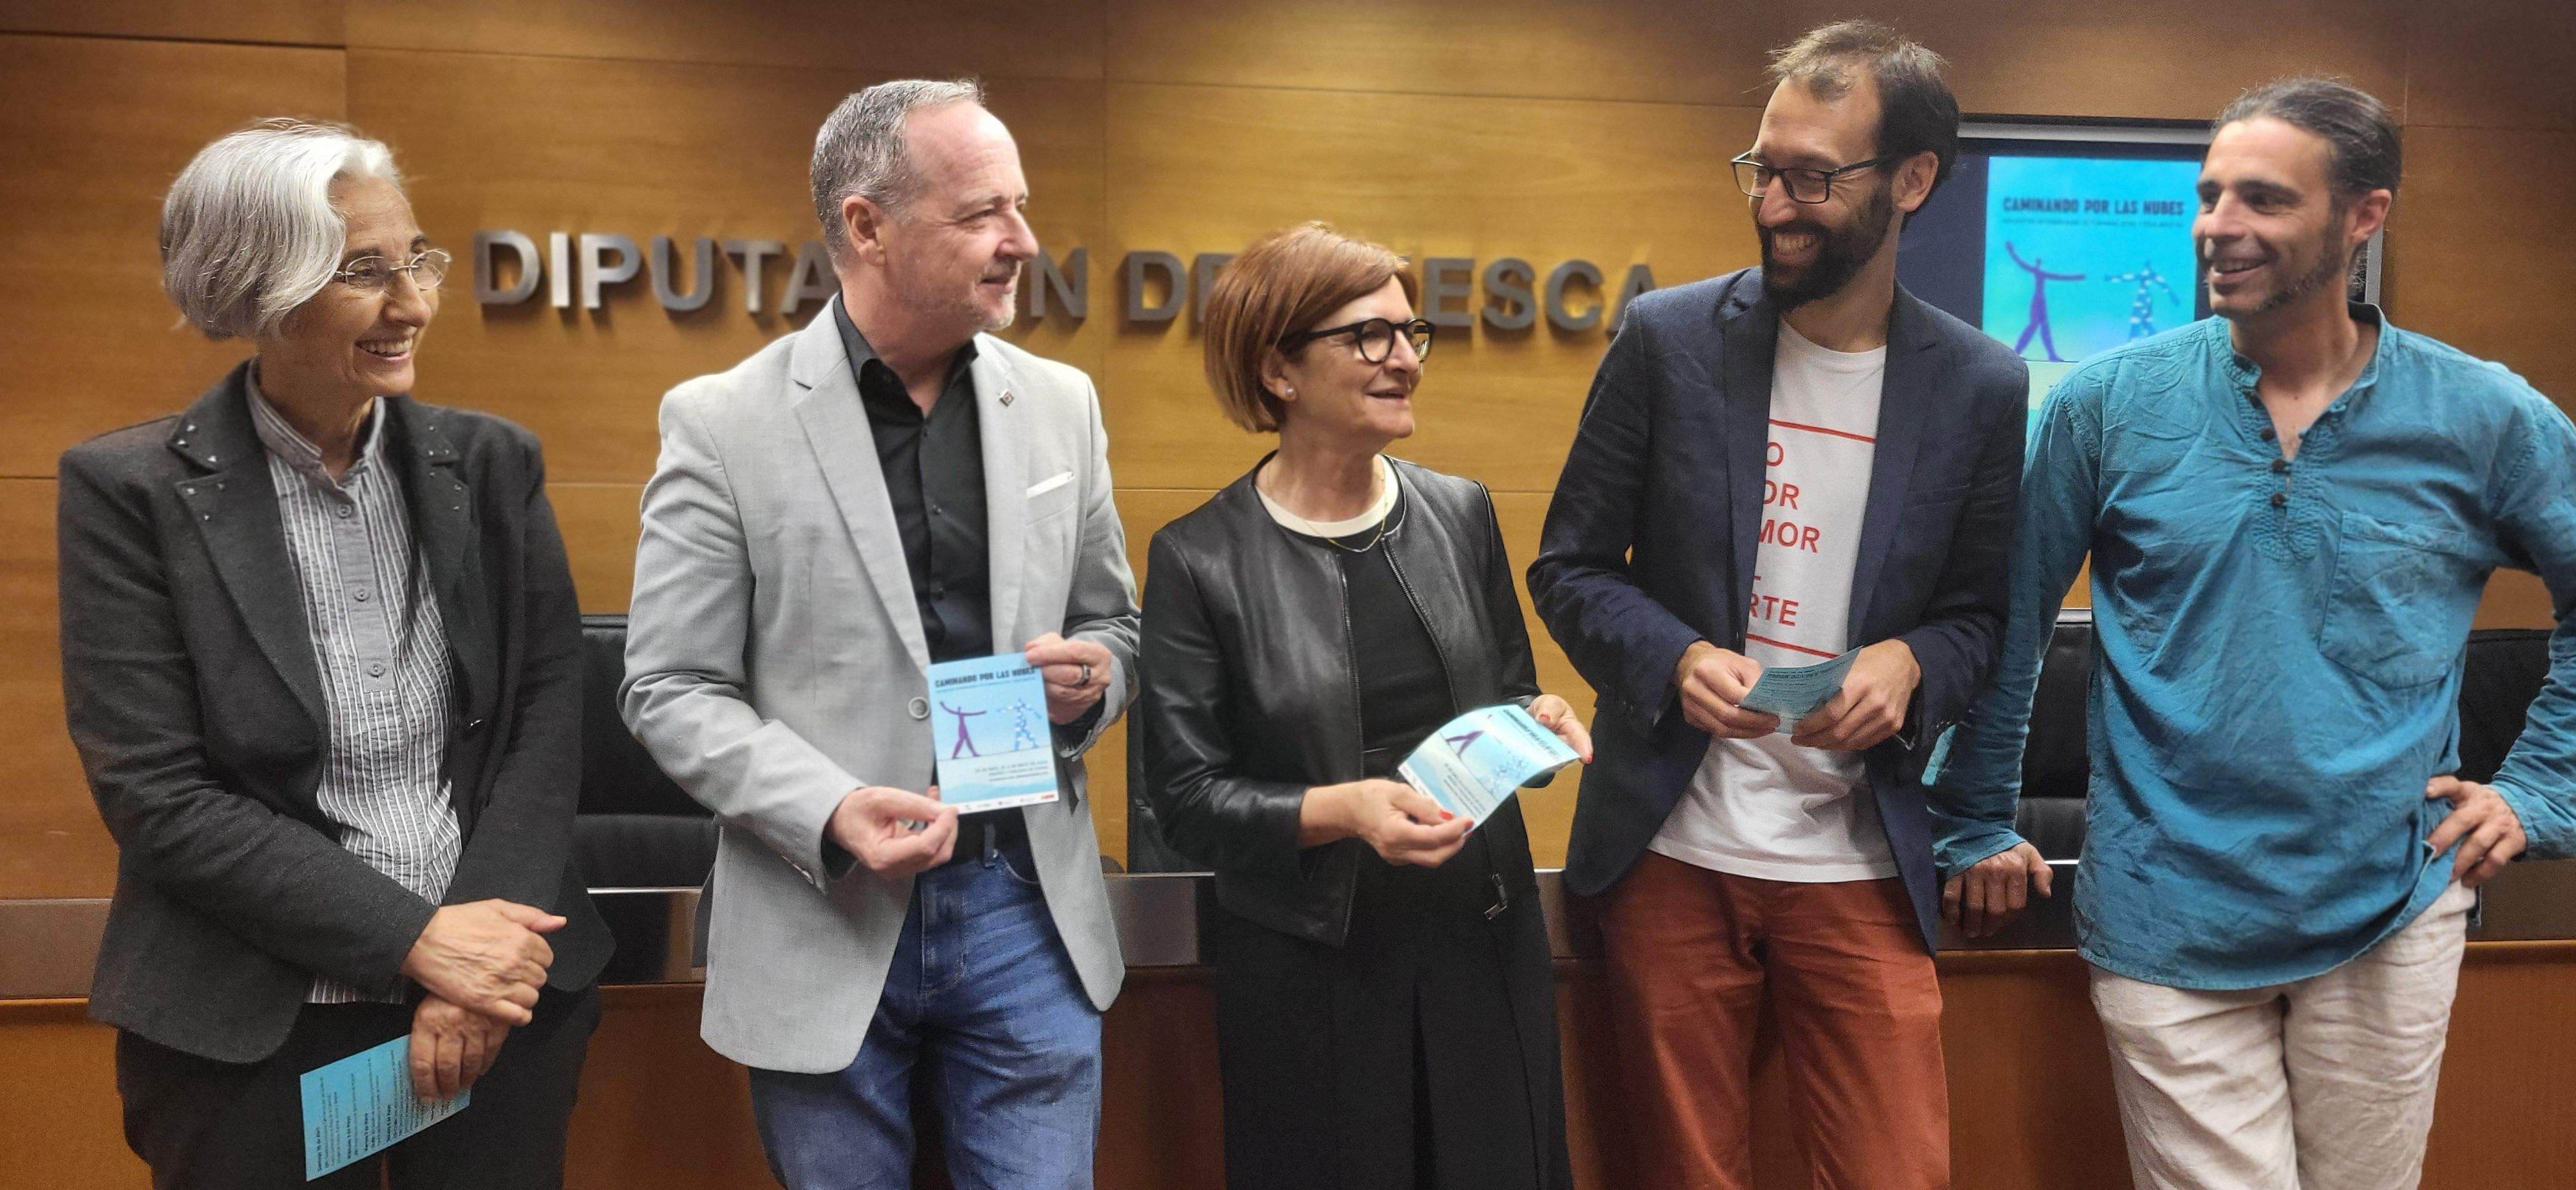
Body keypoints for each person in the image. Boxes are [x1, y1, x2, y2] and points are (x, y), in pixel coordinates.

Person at [1931, 76, 2576, 1190]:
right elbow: (2009, 617)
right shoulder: (2108, 404)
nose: (2218, 227)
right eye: (2210, 195)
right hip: (2164, 913)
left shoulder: (2484, 417)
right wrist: (1973, 820)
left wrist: (2543, 788)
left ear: (2364, 216)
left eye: (2264, 200)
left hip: (2391, 908)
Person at [59, 118, 610, 1188]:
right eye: (364, 272)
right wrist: (417, 941)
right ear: (257, 287)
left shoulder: (493, 463)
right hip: (254, 1029)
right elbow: (158, 792)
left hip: (498, 1007)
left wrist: (471, 968)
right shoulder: (129, 493)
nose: (413, 305)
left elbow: (546, 715)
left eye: (417, 261)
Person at [1525, 21, 2026, 1189]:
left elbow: (1981, 618)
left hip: (1860, 855)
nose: (1774, 206)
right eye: (1763, 169)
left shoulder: (1980, 384)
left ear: (1912, 181)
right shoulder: (1667, 341)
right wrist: (1672, 657)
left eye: (1811, 178)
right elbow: (1571, 566)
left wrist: (1912, 662)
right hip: (1672, 849)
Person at [620, 79, 1138, 1187]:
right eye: (982, 213)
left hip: (1023, 909)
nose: (1022, 242)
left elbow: (1113, 622)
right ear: (867, 226)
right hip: (823, 917)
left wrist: (1099, 675)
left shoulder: (1063, 404)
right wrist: (831, 808)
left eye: (1021, 206)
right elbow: (670, 686)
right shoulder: (722, 422)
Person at [1139, 222, 1590, 1190]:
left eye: (1410, 333)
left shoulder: (1461, 510)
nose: (1406, 361)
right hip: (1311, 967)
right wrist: (1347, 810)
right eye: (1369, 336)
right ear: (1279, 370)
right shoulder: (1198, 558)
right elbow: (1185, 802)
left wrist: (1536, 725)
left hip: (1483, 942)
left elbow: (1508, 694)